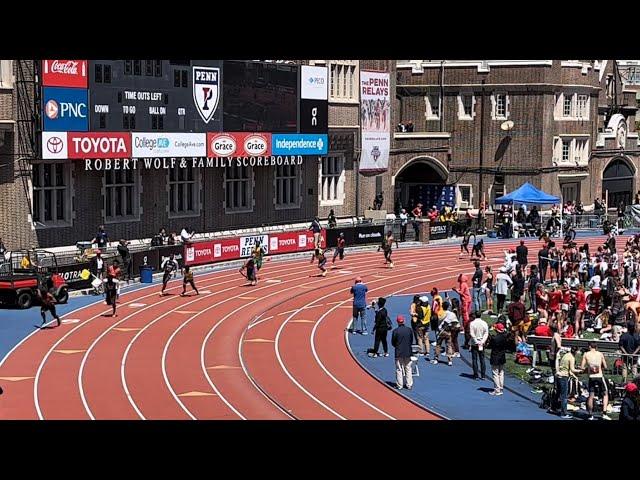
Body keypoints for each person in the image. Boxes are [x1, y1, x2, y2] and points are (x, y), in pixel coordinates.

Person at [581, 342, 611, 420]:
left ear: (589, 346)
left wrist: (589, 369)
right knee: (605, 394)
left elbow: (582, 366)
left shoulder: (586, 354)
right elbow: (605, 366)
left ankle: (590, 414)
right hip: (599, 376)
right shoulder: (600, 354)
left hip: (591, 377)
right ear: (596, 347)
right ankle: (604, 413)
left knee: (591, 396)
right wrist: (599, 368)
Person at [555, 346, 583, 418]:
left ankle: (553, 407)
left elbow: (567, 368)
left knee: (558, 393)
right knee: (564, 396)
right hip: (564, 377)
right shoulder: (572, 358)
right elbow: (572, 369)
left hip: (559, 375)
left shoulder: (566, 355)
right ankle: (563, 413)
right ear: (576, 352)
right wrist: (580, 371)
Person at [392, 315, 414, 390]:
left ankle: (399, 385)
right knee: (408, 368)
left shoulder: (395, 331)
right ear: (403, 321)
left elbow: (393, 342)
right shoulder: (409, 330)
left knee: (399, 369)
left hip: (399, 352)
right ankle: (409, 384)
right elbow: (411, 340)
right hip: (408, 352)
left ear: (397, 322)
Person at [433, 301, 458, 366]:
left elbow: (435, 320)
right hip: (448, 331)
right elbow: (455, 322)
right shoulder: (451, 314)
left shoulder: (440, 313)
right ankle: (449, 360)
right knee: (448, 345)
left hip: (440, 331)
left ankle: (436, 359)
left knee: (438, 345)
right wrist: (451, 328)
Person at [487, 322, 508, 396]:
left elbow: (489, 346)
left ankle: (497, 389)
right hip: (502, 356)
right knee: (501, 372)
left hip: (495, 356)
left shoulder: (495, 338)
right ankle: (501, 387)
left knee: (495, 373)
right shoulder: (505, 337)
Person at [453, 274, 471, 349]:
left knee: (465, 314)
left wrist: (455, 290)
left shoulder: (463, 284)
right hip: (468, 299)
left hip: (465, 300)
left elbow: (461, 292)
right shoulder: (465, 284)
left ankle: (465, 327)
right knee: (467, 313)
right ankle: (466, 326)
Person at [469, 314, 489, 380]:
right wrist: (482, 341)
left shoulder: (472, 323)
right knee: (482, 359)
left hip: (474, 343)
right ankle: (483, 375)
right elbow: (486, 333)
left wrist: (476, 341)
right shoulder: (484, 323)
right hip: (481, 343)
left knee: (474, 359)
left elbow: (472, 333)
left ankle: (476, 375)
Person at [415, 295, 432, 361]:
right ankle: (427, 351)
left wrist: (415, 314)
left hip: (421, 324)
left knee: (419, 338)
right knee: (426, 338)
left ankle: (421, 351)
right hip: (427, 324)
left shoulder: (421, 308)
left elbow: (420, 316)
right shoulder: (428, 306)